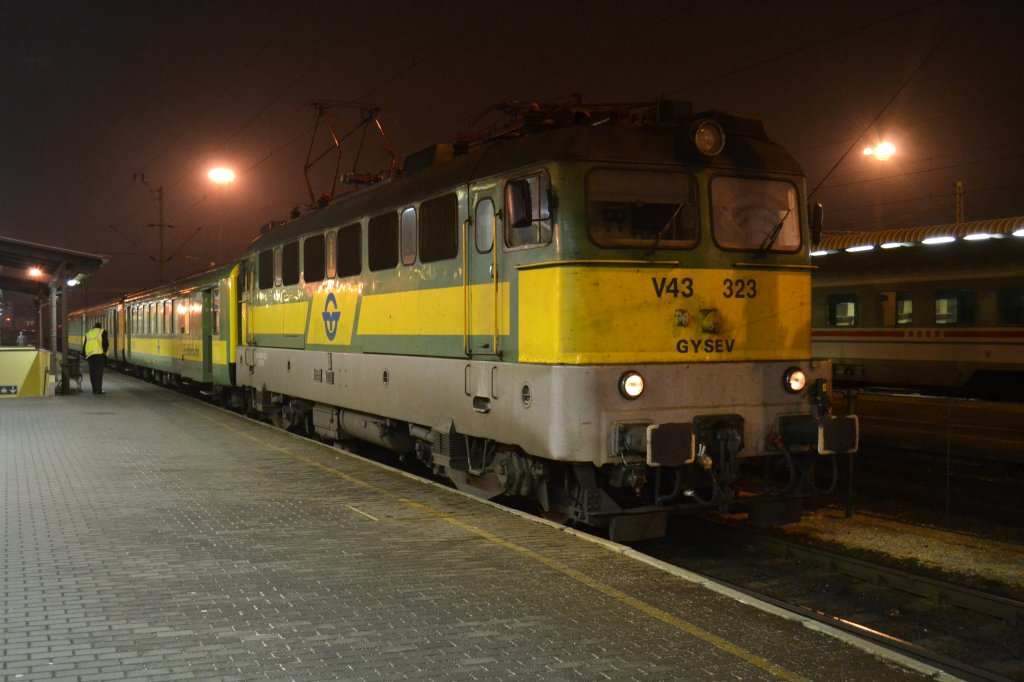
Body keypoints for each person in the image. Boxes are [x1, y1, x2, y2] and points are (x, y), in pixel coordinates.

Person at [83, 322, 109, 394]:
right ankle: (99, 389)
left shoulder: (88, 333)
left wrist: (84, 355)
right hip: (99, 355)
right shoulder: (102, 331)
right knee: (99, 373)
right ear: (100, 327)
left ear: (94, 327)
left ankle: (94, 389)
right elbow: (105, 343)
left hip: (90, 356)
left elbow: (85, 345)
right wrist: (104, 352)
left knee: (92, 373)